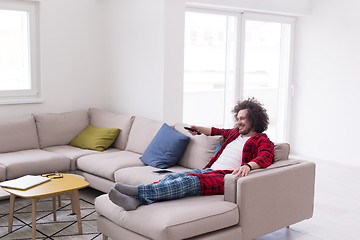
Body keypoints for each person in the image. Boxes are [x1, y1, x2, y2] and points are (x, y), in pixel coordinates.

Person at [108, 98, 274, 211]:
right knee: (172, 178)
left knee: (187, 182)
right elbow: (216, 131)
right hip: (209, 171)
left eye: (242, 118)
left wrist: (248, 165)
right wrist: (198, 129)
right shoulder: (235, 133)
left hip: (226, 177)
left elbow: (265, 157)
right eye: (237, 118)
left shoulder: (261, 140)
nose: (238, 122)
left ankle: (138, 191)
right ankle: (136, 201)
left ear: (254, 119)